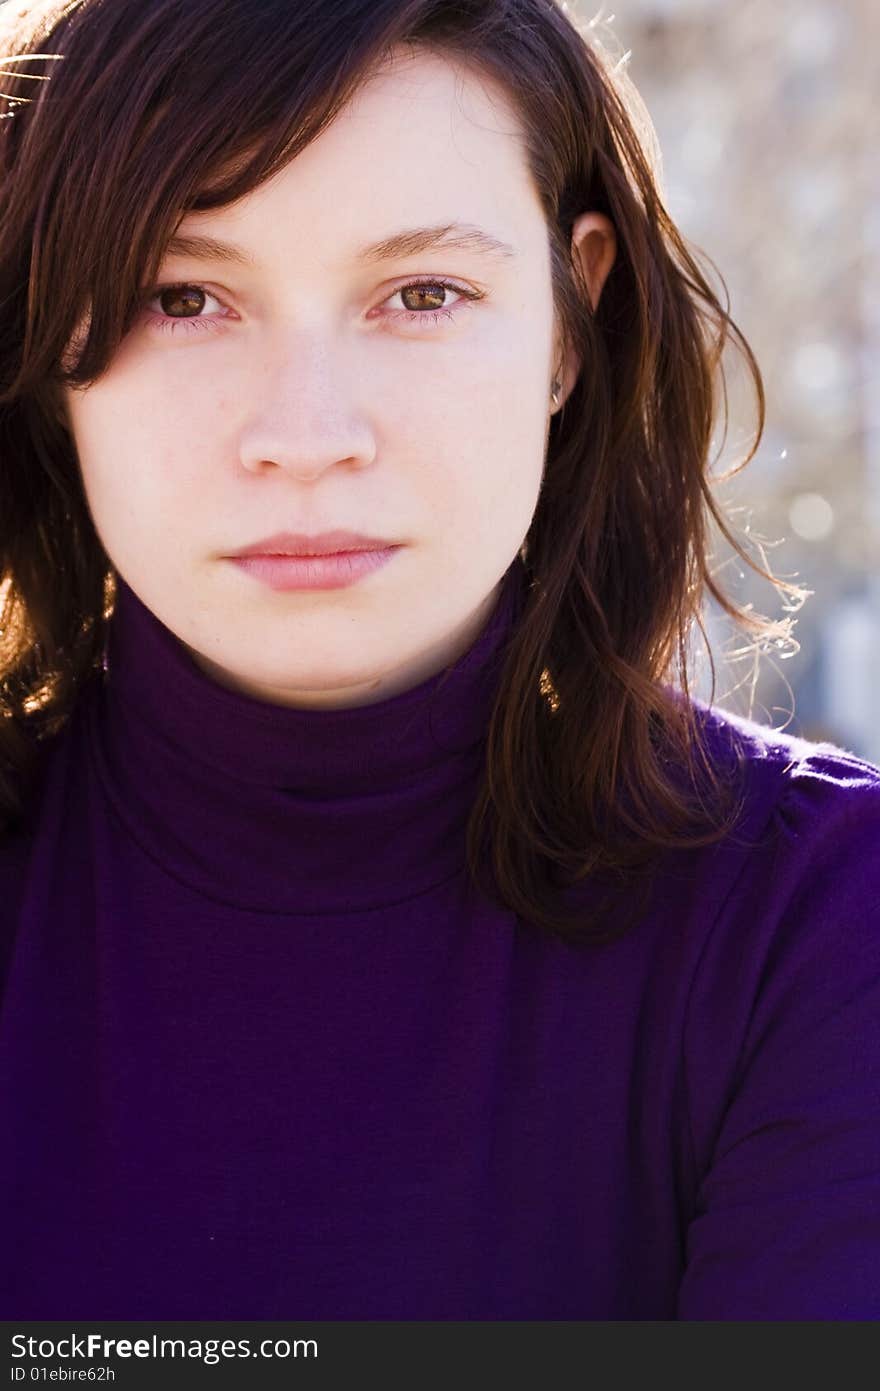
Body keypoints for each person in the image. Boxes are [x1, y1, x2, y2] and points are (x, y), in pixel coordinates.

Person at [0, 0, 878, 1322]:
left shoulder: (816, 927)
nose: (306, 434)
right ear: (50, 342)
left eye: (423, 293)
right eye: (180, 297)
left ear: (571, 326)